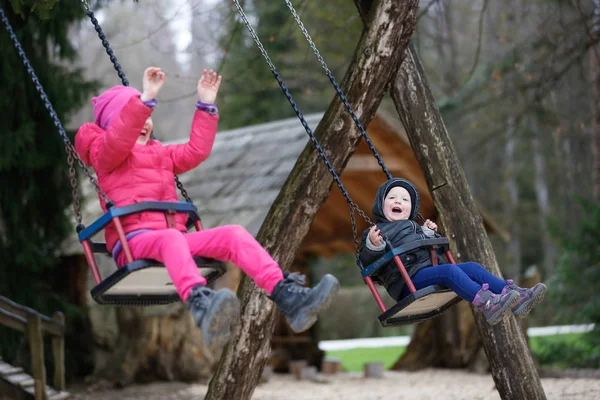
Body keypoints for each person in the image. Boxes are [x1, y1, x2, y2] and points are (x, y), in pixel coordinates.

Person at [75, 66, 339, 346]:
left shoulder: (160, 153)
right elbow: (118, 139)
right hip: (133, 242)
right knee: (171, 238)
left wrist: (206, 105)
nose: (145, 121)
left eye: (148, 116)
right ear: (115, 125)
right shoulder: (105, 156)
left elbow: (195, 151)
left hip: (171, 240)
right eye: (133, 114)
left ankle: (287, 296)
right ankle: (201, 304)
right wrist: (144, 100)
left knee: (233, 234)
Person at [359, 178, 546, 325]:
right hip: (406, 282)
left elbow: (431, 253)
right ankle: (488, 304)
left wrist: (428, 234)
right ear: (380, 206)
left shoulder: (415, 227)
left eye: (405, 199)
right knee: (449, 271)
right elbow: (366, 260)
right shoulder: (375, 232)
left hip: (424, 273)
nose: (398, 201)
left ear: (411, 210)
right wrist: (373, 245)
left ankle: (515, 297)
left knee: (472, 267)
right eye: (392, 198)